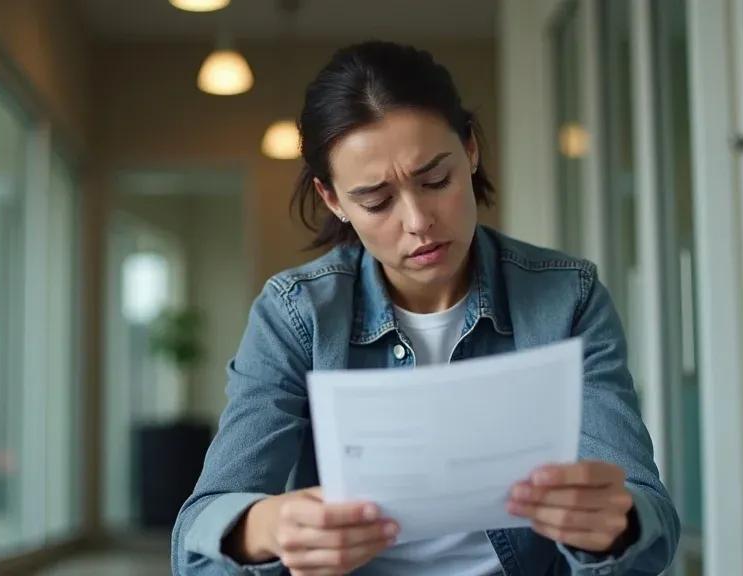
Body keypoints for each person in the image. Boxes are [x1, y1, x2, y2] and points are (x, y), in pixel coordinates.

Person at [170, 41, 679, 575]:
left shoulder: (567, 297)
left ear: (471, 150)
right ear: (334, 200)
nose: (417, 221)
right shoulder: (296, 315)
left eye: (436, 180)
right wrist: (265, 528)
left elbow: (648, 516)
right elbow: (198, 536)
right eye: (376, 200)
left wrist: (613, 526)